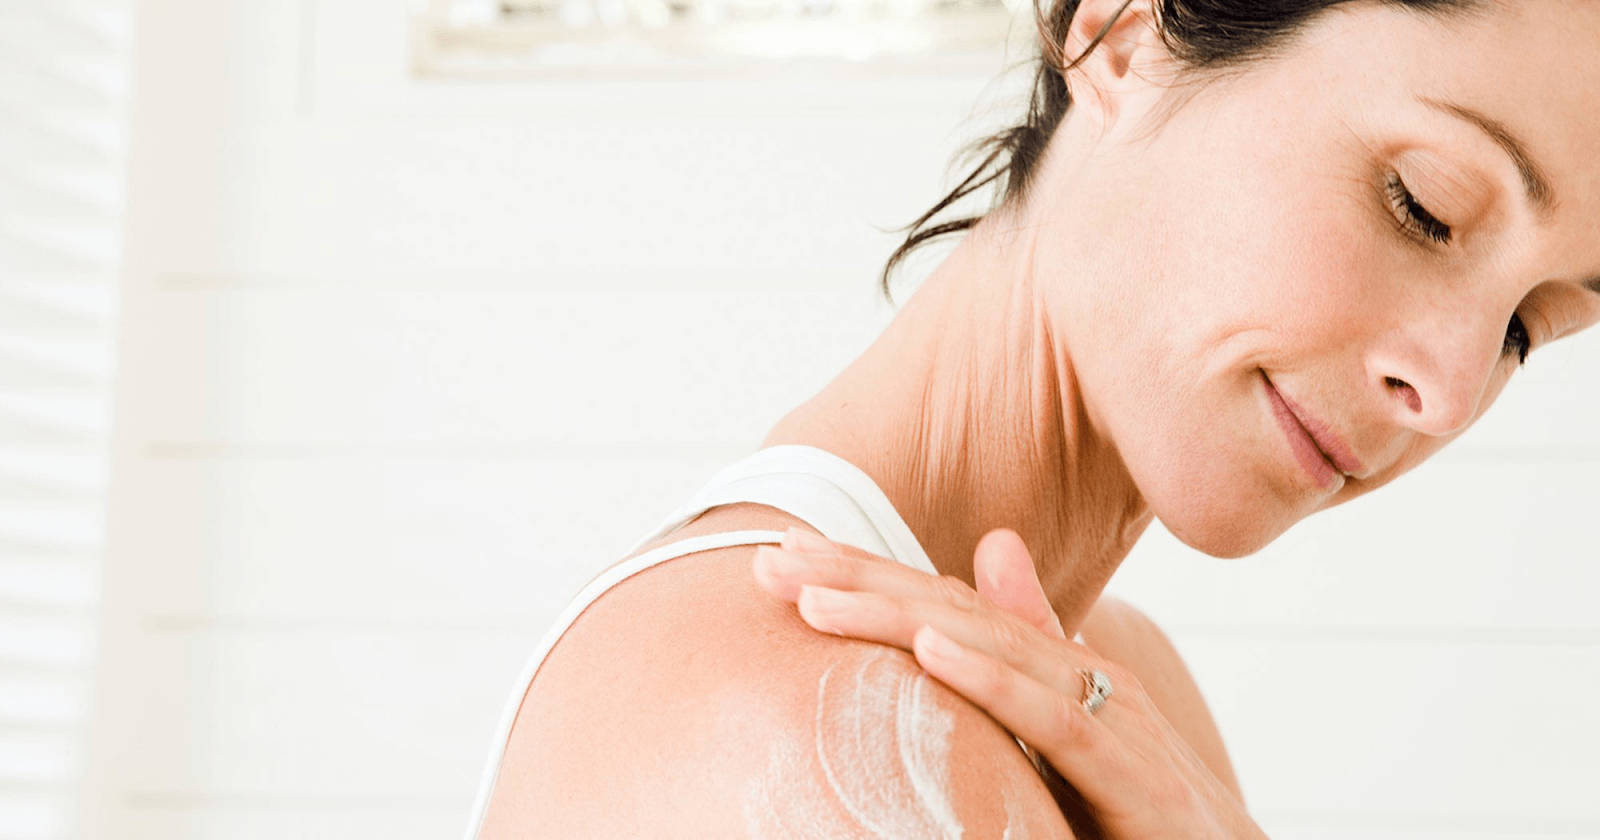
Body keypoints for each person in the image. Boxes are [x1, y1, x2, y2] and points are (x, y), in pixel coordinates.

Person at [465, 0, 1600, 835]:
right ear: (1120, 34)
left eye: (1523, 328)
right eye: (1427, 207)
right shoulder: (808, 719)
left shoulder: (1126, 700)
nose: (1449, 391)